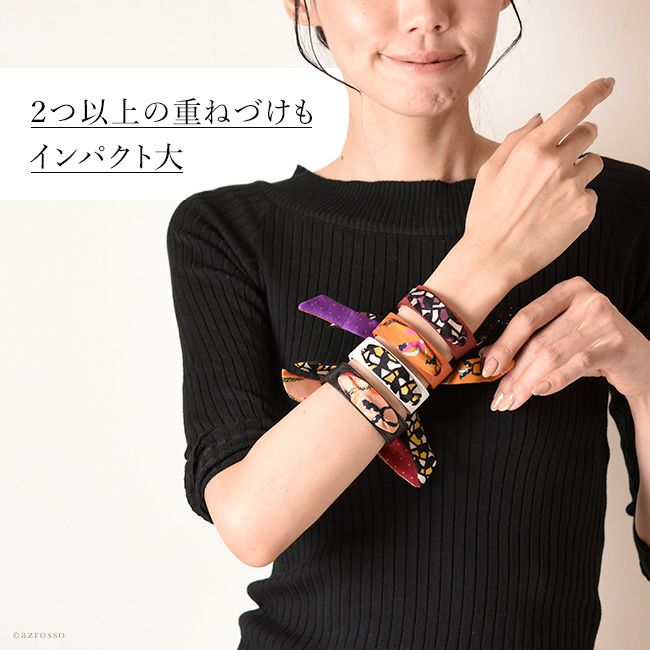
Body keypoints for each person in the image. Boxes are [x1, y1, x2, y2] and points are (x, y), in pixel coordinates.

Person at [166, 1, 650, 648]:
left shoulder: (608, 211)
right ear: (302, 6)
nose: (425, 15)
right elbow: (251, 523)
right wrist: (483, 266)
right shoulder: (230, 232)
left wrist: (645, 379)